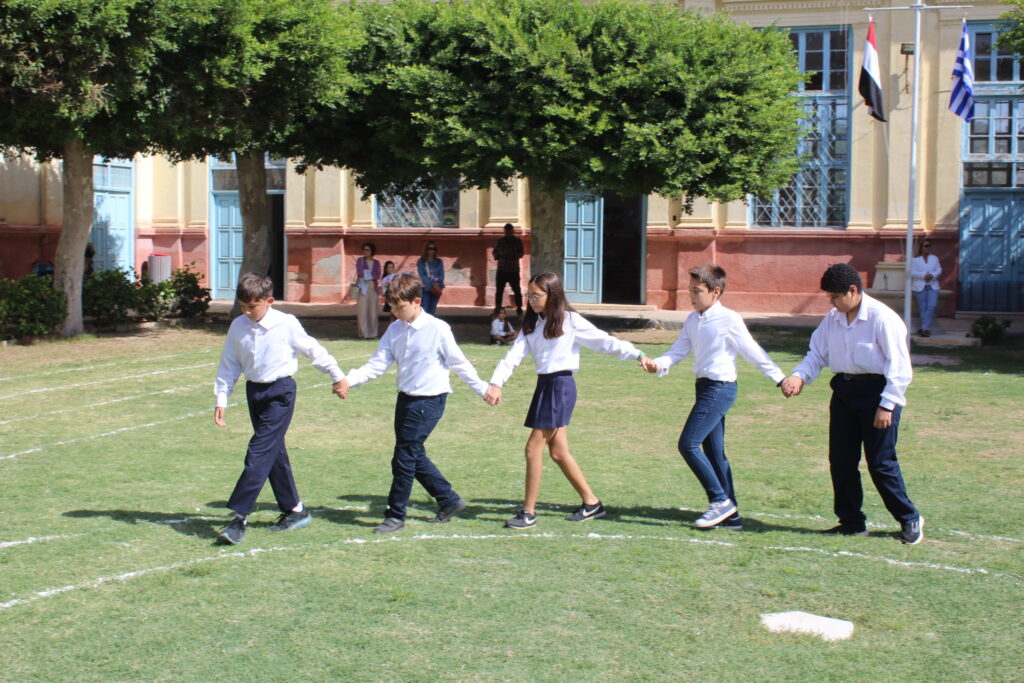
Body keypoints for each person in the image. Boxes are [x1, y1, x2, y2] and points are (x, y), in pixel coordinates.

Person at [484, 272, 646, 529]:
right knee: (558, 453)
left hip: (560, 387)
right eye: (528, 296)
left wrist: (638, 354)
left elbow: (604, 342)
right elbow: (512, 356)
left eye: (536, 296)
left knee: (532, 449)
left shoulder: (570, 321)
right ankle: (592, 503)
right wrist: (495, 383)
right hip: (545, 386)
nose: (531, 300)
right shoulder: (532, 324)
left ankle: (528, 513)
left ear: (552, 295)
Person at [337, 273, 497, 534]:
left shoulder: (438, 328)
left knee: (403, 457)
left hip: (430, 400)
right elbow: (377, 363)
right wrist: (349, 380)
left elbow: (459, 363)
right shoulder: (394, 329)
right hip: (406, 399)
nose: (395, 312)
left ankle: (395, 515)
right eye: (392, 306)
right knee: (412, 454)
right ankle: (449, 500)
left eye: (400, 307)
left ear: (417, 302)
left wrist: (483, 388)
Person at [780, 263, 923, 545]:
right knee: (841, 461)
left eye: (835, 297)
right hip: (844, 393)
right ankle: (852, 522)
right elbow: (816, 354)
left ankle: (909, 518)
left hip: (877, 394)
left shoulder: (882, 318)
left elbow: (899, 366)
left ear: (853, 291)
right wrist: (799, 376)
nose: (831, 303)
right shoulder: (832, 319)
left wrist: (888, 405)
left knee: (880, 463)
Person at [640, 264, 785, 530]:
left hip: (720, 388)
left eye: (697, 291)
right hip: (704, 388)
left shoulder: (729, 319)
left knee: (688, 444)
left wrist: (780, 378)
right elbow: (677, 351)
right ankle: (731, 515)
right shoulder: (693, 320)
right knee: (714, 453)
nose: (691, 296)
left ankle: (719, 501)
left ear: (715, 292)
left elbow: (752, 351)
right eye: (690, 290)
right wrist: (657, 365)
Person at [213, 272, 347, 545]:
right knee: (273, 451)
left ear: (269, 301)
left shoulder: (286, 324)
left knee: (258, 451)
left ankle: (239, 518)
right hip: (255, 392)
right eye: (243, 306)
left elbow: (313, 350)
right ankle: (295, 509)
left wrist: (337, 375)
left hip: (280, 393)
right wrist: (221, 398)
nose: (247, 312)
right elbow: (229, 363)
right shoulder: (238, 326)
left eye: (252, 306)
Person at [910, 239, 942, 337]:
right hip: (920, 285)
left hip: (932, 285)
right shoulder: (915, 260)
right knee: (923, 308)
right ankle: (925, 329)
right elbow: (912, 272)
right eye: (926, 246)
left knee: (932, 305)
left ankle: (924, 328)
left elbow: (939, 269)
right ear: (921, 248)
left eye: (929, 246)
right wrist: (924, 275)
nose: (928, 248)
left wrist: (932, 275)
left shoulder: (934, 258)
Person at [493, 222, 524, 316]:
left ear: (512, 231)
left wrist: (512, 253)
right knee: (499, 290)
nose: (508, 233)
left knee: (517, 290)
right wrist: (501, 254)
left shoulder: (517, 241)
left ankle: (519, 308)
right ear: (505, 231)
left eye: (509, 232)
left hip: (513, 270)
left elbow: (521, 253)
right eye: (506, 232)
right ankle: (498, 308)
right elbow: (495, 253)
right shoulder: (500, 241)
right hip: (502, 269)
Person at [354, 242, 382, 339]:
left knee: (373, 312)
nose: (365, 251)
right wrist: (371, 274)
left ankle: (373, 333)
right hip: (363, 288)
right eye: (364, 249)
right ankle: (363, 334)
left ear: (372, 251)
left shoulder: (376, 262)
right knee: (362, 311)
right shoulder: (360, 260)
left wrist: (367, 274)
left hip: (373, 289)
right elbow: (360, 272)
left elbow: (378, 275)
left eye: (367, 250)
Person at [417, 241, 445, 315]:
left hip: (437, 288)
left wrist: (438, 282)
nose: (432, 251)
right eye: (429, 248)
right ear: (426, 250)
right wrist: (432, 283)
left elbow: (441, 274)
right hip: (426, 288)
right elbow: (422, 275)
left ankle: (431, 322)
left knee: (432, 309)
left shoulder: (439, 261)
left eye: (433, 249)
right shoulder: (421, 261)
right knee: (425, 309)